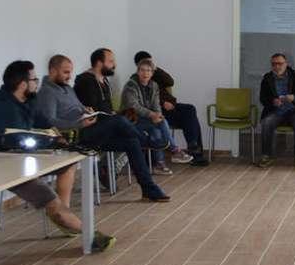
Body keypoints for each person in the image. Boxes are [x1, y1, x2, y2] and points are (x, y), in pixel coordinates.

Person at [0, 60, 115, 252]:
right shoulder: (4, 109)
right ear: (23, 84)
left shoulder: (28, 102)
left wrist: (58, 136)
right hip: (3, 169)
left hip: (19, 161)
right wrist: (50, 140)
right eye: (34, 79)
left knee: (67, 166)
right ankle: (88, 233)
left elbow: (44, 124)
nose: (37, 82)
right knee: (49, 198)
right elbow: (18, 140)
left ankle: (63, 215)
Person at [74, 48, 171, 202]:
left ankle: (149, 189)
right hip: (89, 133)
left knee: (132, 142)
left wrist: (113, 114)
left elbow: (105, 110)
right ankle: (147, 141)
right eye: (111, 61)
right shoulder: (85, 81)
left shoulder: (104, 80)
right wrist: (113, 117)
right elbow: (92, 112)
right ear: (99, 63)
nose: (114, 64)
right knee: (121, 121)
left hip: (105, 130)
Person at [133, 51, 208, 166]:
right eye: (148, 62)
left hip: (171, 107)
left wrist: (156, 69)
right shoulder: (136, 79)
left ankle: (193, 147)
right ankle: (195, 153)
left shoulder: (154, 74)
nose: (151, 65)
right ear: (139, 65)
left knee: (190, 111)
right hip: (157, 111)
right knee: (190, 118)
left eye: (151, 63)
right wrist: (163, 103)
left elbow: (170, 81)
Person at [121, 58, 188, 175]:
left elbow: (156, 104)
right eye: (142, 70)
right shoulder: (130, 85)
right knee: (161, 123)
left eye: (148, 71)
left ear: (152, 73)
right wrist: (152, 115)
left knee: (157, 127)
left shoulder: (154, 85)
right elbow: (134, 106)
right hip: (131, 119)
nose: (145, 73)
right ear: (138, 71)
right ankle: (174, 150)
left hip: (146, 119)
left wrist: (158, 114)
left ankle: (160, 164)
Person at [258, 52, 295, 168]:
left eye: (280, 63)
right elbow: (263, 98)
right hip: (276, 111)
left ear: (286, 64)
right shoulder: (267, 78)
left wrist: (294, 97)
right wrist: (273, 101)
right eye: (274, 64)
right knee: (266, 122)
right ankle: (266, 155)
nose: (277, 66)